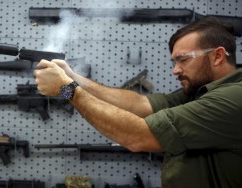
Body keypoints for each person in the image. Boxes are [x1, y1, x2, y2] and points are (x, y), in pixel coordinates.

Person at [34, 17, 242, 188]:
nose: (175, 70)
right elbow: (140, 105)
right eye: (175, 61)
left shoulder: (233, 98)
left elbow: (138, 136)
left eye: (184, 59)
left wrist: (66, 89)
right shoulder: (199, 92)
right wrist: (73, 77)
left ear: (217, 56)